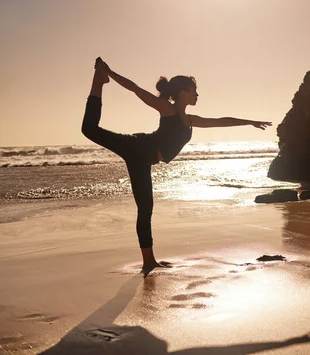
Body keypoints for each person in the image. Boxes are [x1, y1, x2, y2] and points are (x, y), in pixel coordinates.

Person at [82, 57, 271, 274]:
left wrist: (250, 122)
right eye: (194, 91)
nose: (197, 95)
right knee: (89, 129)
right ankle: (99, 80)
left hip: (144, 159)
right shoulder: (167, 109)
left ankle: (149, 261)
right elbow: (135, 89)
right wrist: (110, 72)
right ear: (183, 92)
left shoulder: (190, 120)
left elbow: (220, 120)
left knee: (145, 208)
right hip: (137, 147)